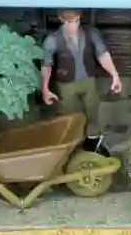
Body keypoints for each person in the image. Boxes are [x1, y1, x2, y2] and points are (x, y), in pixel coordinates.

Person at [40, 9, 121, 155]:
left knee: (93, 112)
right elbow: (47, 65)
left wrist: (114, 75)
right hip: (66, 85)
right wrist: (45, 88)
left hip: (88, 81)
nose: (74, 25)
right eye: (69, 22)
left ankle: (93, 145)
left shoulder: (91, 34)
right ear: (62, 21)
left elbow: (102, 54)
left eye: (76, 21)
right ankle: (72, 149)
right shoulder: (53, 40)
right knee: (70, 117)